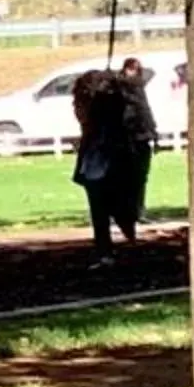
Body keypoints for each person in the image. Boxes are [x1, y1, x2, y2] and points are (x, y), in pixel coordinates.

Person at [70, 66, 131, 256]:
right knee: (100, 213)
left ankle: (109, 247)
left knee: (108, 208)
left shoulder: (108, 109)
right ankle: (105, 250)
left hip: (105, 163)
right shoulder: (103, 109)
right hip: (94, 165)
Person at [111, 56, 162, 242]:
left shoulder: (136, 88)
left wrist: (153, 134)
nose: (134, 73)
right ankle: (127, 212)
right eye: (131, 69)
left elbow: (146, 111)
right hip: (128, 139)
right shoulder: (122, 91)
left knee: (140, 177)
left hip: (140, 139)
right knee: (128, 178)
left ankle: (137, 210)